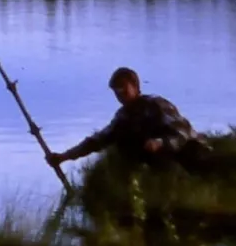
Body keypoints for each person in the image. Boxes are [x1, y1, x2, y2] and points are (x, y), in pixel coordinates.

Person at [53, 67, 211, 172]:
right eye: (117, 91)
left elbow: (182, 133)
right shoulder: (123, 116)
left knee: (193, 153)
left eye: (124, 88)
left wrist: (160, 142)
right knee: (124, 143)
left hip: (191, 151)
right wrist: (63, 157)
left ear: (135, 87)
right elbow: (98, 140)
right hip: (166, 159)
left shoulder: (157, 104)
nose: (120, 94)